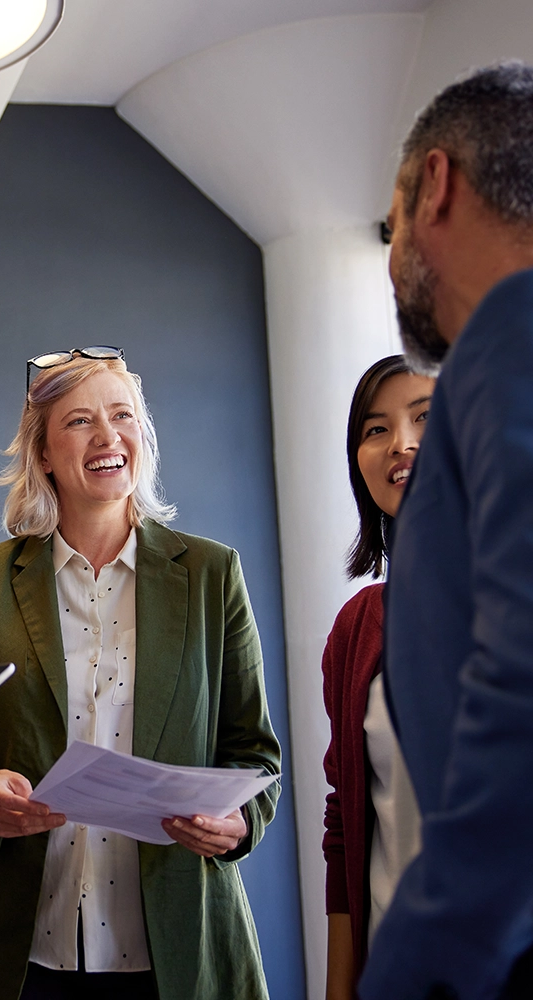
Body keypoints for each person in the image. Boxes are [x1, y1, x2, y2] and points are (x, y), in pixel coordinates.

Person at [0, 349, 281, 1000]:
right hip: (19, 956)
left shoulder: (211, 574)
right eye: (80, 421)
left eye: (123, 416)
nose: (108, 435)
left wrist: (237, 824)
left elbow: (255, 756)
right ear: (43, 455)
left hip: (179, 955)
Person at [358, 62, 533, 1000]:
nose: (391, 259)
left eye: (388, 224)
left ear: (435, 185)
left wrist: (426, 962)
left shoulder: (511, 332)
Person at [320, 356, 434, 999]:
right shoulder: (359, 627)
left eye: (423, 417)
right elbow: (347, 825)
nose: (402, 443)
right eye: (375, 429)